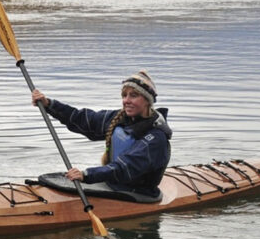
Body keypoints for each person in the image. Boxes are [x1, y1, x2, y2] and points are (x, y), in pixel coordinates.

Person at [31, 69, 172, 199]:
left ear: (148, 101)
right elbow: (83, 119)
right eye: (124, 95)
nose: (126, 100)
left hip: (139, 194)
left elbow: (125, 167)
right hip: (112, 184)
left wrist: (86, 175)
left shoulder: (156, 137)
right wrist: (49, 104)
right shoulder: (119, 118)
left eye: (133, 96)